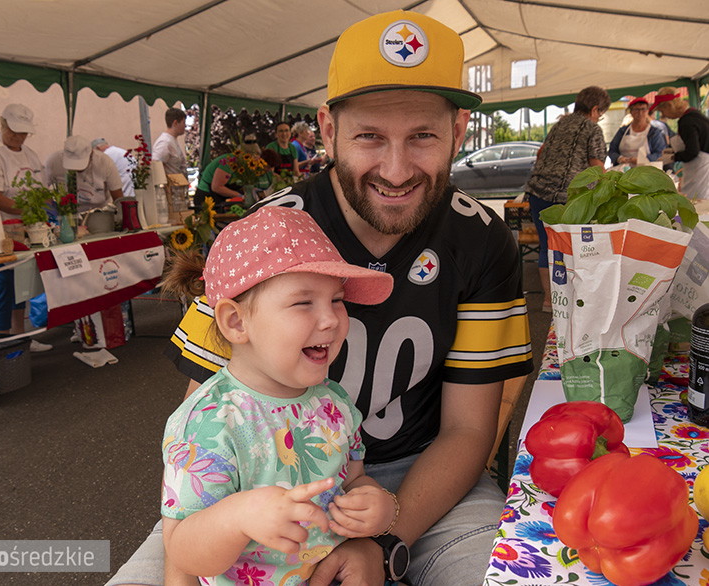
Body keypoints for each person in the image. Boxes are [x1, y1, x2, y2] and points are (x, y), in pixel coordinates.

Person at [107, 10, 533, 586]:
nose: (397, 168)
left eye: (424, 136)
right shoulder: (262, 233)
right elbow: (209, 422)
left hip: (423, 478)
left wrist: (384, 542)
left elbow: (467, 431)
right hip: (254, 485)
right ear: (328, 130)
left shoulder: (484, 239)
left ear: (459, 132)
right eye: (369, 136)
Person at [160, 206, 396, 586]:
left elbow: (352, 479)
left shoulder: (334, 404)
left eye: (336, 299)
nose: (332, 319)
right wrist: (239, 515)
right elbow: (182, 551)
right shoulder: (208, 424)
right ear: (236, 322)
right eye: (304, 302)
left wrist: (374, 503)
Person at [524, 85, 610, 313]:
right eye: (600, 113)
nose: (599, 117)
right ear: (594, 109)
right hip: (567, 196)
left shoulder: (560, 123)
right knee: (573, 249)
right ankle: (573, 300)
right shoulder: (593, 129)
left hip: (538, 191)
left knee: (546, 246)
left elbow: (541, 153)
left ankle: (549, 302)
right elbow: (597, 168)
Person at [0, 103, 52, 351]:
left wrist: (46, 211)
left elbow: (41, 191)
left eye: (23, 132)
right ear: (3, 125)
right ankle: (3, 341)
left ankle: (21, 338)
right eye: (13, 131)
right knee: (1, 285)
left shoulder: (30, 155)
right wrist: (30, 210)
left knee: (20, 283)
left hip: (26, 227)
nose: (18, 136)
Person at [651, 86, 709, 200]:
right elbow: (695, 142)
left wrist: (673, 157)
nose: (663, 115)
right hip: (700, 167)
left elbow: (692, 152)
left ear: (669, 105)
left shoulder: (686, 122)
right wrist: (673, 151)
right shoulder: (693, 114)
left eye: (662, 111)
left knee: (697, 202)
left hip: (701, 169)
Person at [44, 135, 124, 213]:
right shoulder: (53, 161)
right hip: (67, 214)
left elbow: (117, 196)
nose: (77, 169)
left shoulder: (104, 162)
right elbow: (42, 189)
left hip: (99, 213)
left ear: (91, 154)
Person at [608, 97, 667, 167]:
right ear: (631, 112)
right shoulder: (623, 131)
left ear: (648, 111)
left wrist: (642, 159)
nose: (640, 113)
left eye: (643, 109)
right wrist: (619, 158)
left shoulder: (654, 132)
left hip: (647, 171)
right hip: (625, 171)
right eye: (636, 110)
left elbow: (660, 153)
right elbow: (612, 150)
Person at [153, 108, 188, 176]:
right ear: (175, 123)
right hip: (171, 186)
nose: (185, 126)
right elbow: (156, 167)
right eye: (183, 122)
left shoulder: (172, 140)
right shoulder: (165, 142)